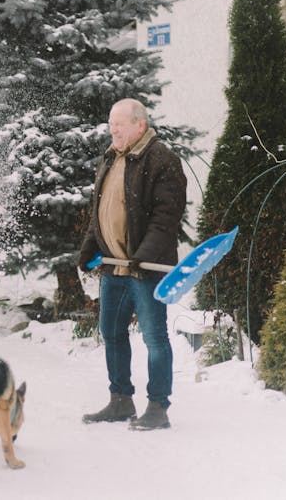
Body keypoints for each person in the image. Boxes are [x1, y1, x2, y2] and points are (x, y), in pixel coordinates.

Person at [78, 98, 186, 430]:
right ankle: (121, 399)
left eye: (120, 124)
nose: (113, 129)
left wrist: (145, 256)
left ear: (140, 125)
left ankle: (157, 406)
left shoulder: (161, 160)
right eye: (111, 124)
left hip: (144, 268)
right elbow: (102, 210)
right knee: (111, 331)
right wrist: (89, 247)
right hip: (114, 267)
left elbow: (166, 217)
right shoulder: (110, 158)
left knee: (154, 337)